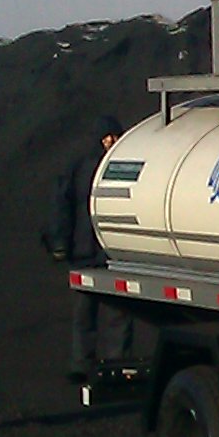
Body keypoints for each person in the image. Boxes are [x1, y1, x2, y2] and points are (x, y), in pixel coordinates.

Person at [45, 115, 132, 387]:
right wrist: (60, 242)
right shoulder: (83, 167)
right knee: (86, 311)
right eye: (107, 136)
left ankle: (115, 363)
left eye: (115, 136)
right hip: (88, 251)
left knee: (118, 311)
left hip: (109, 252)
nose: (111, 141)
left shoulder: (118, 166)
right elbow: (63, 207)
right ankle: (83, 364)